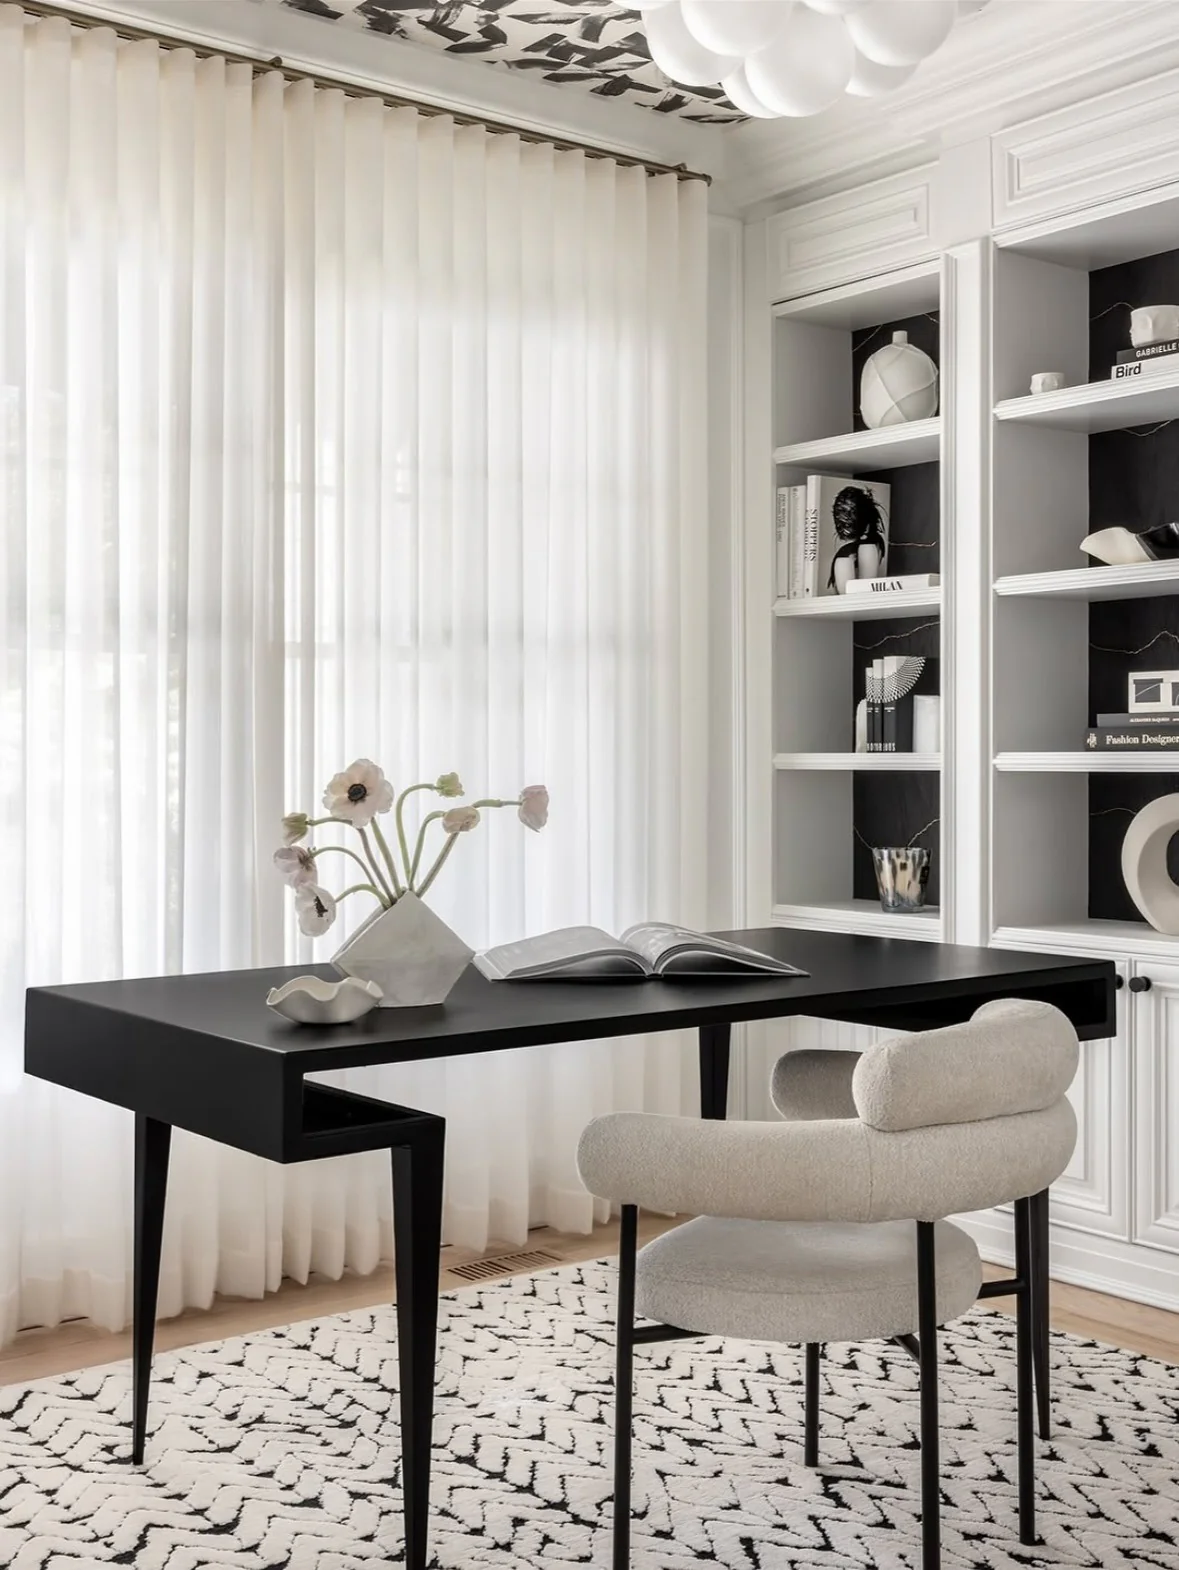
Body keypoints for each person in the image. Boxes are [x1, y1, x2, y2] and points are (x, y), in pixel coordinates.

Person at [828, 484, 888, 592]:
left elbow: (864, 588)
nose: (844, 521)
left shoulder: (867, 547)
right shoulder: (849, 554)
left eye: (849, 514)